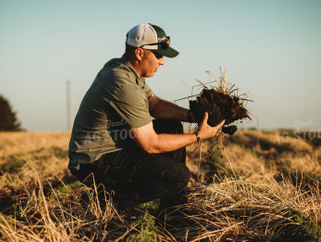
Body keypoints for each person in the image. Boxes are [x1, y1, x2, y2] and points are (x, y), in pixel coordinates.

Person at [68, 23, 225, 211]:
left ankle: (172, 209)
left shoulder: (124, 69)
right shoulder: (123, 84)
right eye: (159, 55)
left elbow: (155, 105)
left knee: (171, 125)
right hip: (94, 161)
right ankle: (107, 202)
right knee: (178, 176)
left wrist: (195, 116)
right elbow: (150, 144)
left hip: (115, 147)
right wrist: (198, 136)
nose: (163, 62)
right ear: (140, 53)